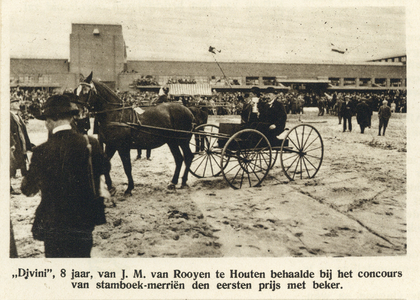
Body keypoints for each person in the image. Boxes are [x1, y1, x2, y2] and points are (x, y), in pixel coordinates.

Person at [21, 94, 111, 258]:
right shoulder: (90, 143)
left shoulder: (41, 151)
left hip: (53, 223)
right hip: (84, 221)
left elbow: (27, 189)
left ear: (49, 121)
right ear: (70, 118)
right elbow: (105, 167)